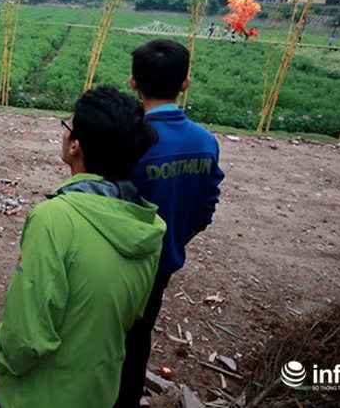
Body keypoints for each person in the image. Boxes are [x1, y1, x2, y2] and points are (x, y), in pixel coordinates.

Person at [0, 86, 166, 408]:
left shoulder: (54, 219)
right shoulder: (148, 226)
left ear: (76, 146)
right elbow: (130, 315)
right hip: (99, 392)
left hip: (38, 398)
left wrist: (1, 358)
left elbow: (26, 338)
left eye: (67, 126)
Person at [115, 39, 224, 407]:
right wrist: (176, 238)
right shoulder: (205, 142)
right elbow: (206, 206)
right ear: (185, 83)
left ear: (133, 82)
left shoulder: (131, 140)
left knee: (106, 333)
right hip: (163, 262)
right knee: (139, 334)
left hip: (122, 262)